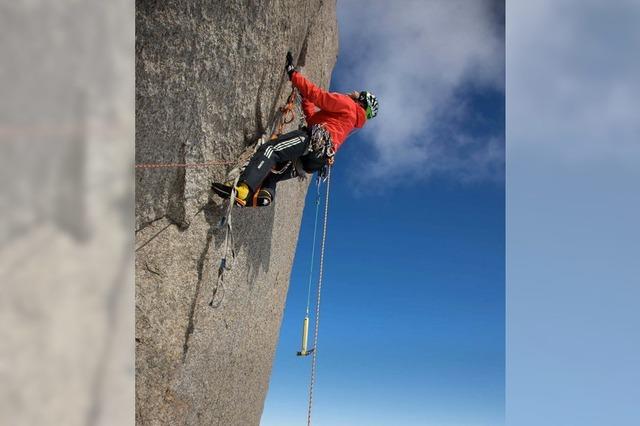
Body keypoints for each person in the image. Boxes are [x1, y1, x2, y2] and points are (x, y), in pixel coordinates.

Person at [212, 52, 378, 207]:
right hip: (316, 159)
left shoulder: (348, 105)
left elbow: (318, 96)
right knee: (274, 170)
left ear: (361, 100)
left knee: (271, 149)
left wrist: (293, 74)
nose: (352, 93)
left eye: (357, 94)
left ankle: (244, 189)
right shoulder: (349, 121)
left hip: (313, 141)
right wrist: (305, 99)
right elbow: (313, 119)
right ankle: (264, 196)